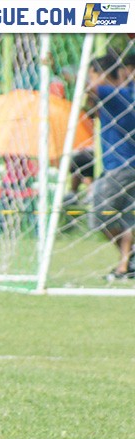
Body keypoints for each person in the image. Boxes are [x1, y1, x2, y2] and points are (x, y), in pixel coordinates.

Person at [86, 54, 135, 279]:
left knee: (99, 216)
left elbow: (90, 90)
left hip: (120, 168)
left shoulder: (112, 94)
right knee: (127, 218)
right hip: (126, 167)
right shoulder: (127, 96)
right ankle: (125, 265)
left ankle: (127, 262)